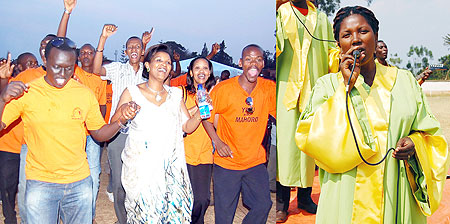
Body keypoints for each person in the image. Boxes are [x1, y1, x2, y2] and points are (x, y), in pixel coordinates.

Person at [295, 6, 449, 223]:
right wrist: (345, 89)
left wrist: (415, 144)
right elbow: (310, 139)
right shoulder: (327, 86)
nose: (356, 40)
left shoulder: (404, 82)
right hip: (345, 199)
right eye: (346, 35)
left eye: (363, 31)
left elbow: (431, 134)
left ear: (376, 37)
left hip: (395, 193)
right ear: (339, 45)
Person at [0, 37, 139, 224]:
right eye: (57, 66)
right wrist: (2, 99)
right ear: (46, 61)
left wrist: (121, 119)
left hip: (79, 184)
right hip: (41, 183)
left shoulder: (83, 93)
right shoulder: (28, 92)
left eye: (69, 67)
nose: (62, 74)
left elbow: (98, 133)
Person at [114, 44, 202, 223]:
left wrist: (201, 111)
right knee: (145, 217)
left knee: (175, 216)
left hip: (172, 171)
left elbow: (186, 126)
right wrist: (124, 113)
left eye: (168, 62)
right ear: (147, 65)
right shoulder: (132, 92)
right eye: (159, 60)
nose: (164, 65)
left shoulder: (176, 94)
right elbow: (115, 124)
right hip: (142, 171)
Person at [275, 0, 339, 221]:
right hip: (286, 90)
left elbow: (331, 50)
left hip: (313, 89)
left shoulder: (320, 18)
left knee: (310, 144)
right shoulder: (280, 13)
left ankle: (305, 197)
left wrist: (340, 59)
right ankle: (282, 202)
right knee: (284, 147)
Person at [203, 44, 276, 224]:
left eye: (258, 59)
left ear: (263, 64)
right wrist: (217, 142)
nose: (254, 63)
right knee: (224, 217)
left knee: (263, 204)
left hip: (255, 161)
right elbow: (206, 118)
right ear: (241, 63)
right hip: (227, 163)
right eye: (249, 59)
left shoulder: (269, 88)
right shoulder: (224, 89)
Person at [92, 24, 150, 224]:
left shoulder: (149, 72)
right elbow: (95, 69)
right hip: (119, 131)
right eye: (130, 47)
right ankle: (123, 219)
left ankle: (139, 216)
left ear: (143, 51)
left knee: (140, 179)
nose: (134, 50)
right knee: (117, 182)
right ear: (125, 51)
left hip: (142, 133)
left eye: (137, 47)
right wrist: (103, 38)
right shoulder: (117, 68)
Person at [183, 56, 216, 224]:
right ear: (191, 72)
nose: (201, 71)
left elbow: (217, 123)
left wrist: (211, 104)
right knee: (185, 199)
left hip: (204, 154)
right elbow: (181, 119)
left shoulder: (216, 94)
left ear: (210, 72)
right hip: (183, 153)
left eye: (205, 68)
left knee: (202, 200)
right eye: (197, 68)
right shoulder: (181, 93)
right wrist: (199, 103)